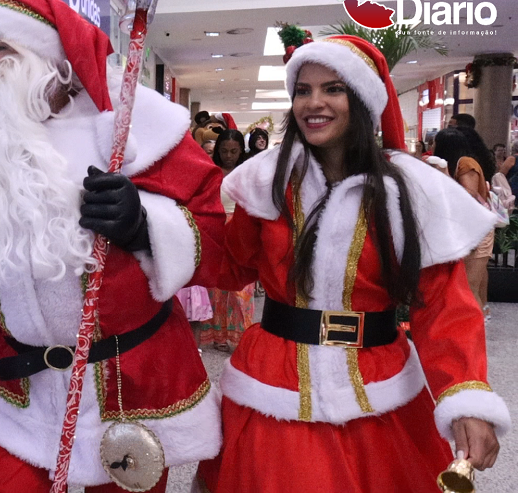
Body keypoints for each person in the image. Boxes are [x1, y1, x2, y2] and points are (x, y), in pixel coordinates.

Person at [0, 0, 226, 492]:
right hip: (26, 390)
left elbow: (221, 244)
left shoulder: (135, 131)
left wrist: (144, 225)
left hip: (130, 384)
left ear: (51, 62)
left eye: (0, 50)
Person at [197, 35, 510, 492]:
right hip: (275, 391)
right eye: (303, 90)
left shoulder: (408, 192)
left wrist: (465, 397)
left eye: (333, 89)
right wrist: (149, 228)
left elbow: (444, 305)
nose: (313, 102)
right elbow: (230, 264)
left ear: (362, 99)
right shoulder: (269, 182)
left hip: (379, 393)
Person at [199, 129, 256, 352]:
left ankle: (243, 337)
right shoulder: (211, 172)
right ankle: (220, 336)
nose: (228, 155)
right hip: (216, 229)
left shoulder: (249, 171)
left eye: (233, 151)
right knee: (216, 287)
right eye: (224, 151)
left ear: (242, 150)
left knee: (242, 290)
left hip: (243, 230)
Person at [434, 128, 496, 319]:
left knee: (469, 289)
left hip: (476, 230)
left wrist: (444, 178)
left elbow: (468, 194)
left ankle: (475, 336)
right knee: (465, 289)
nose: (432, 146)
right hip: (467, 230)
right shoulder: (459, 164)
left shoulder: (466, 163)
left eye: (435, 143)